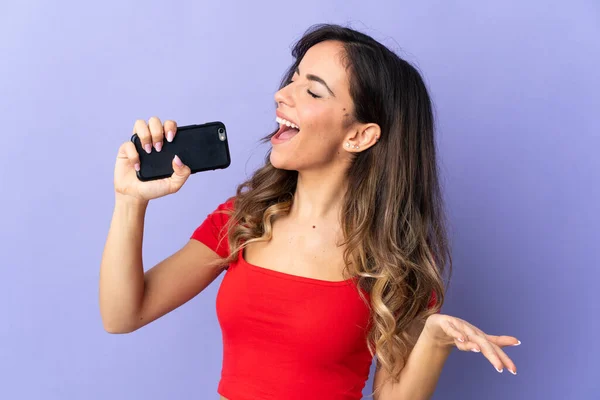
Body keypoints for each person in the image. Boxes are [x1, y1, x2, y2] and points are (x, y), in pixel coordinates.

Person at [99, 24, 520, 400]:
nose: (283, 95)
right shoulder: (242, 221)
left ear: (359, 135)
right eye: (293, 79)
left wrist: (433, 342)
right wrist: (130, 201)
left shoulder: (392, 264)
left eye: (312, 90)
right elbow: (123, 315)